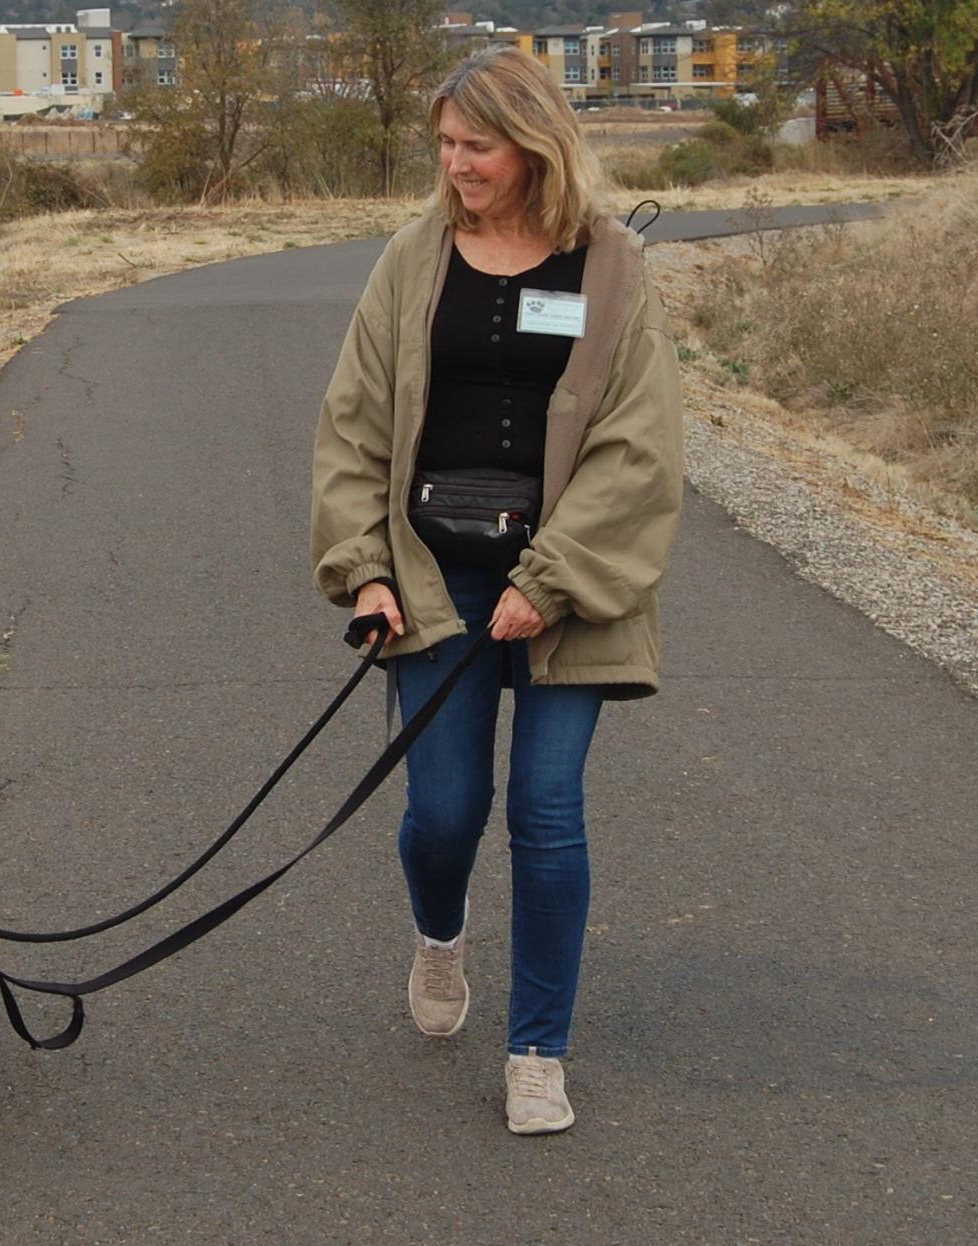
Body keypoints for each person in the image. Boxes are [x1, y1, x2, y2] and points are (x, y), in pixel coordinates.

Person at [309, 45, 684, 1135]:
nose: (454, 164)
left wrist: (553, 579)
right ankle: (438, 935)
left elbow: (640, 446)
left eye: (474, 145)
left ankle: (535, 1051)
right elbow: (352, 423)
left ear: (532, 145)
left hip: (569, 583)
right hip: (433, 576)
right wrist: (363, 567)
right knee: (443, 813)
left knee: (545, 812)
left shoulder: (609, 265)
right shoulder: (411, 259)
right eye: (444, 145)